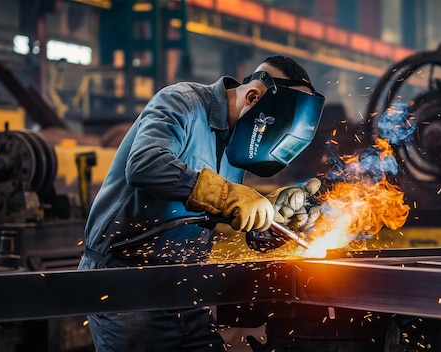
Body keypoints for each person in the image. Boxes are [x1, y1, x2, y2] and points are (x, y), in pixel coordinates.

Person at [77, 55, 325, 351]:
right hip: (126, 286)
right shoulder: (181, 102)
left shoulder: (236, 144)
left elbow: (216, 211)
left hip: (186, 288)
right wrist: (229, 195)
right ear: (253, 96)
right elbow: (145, 164)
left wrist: (271, 221)